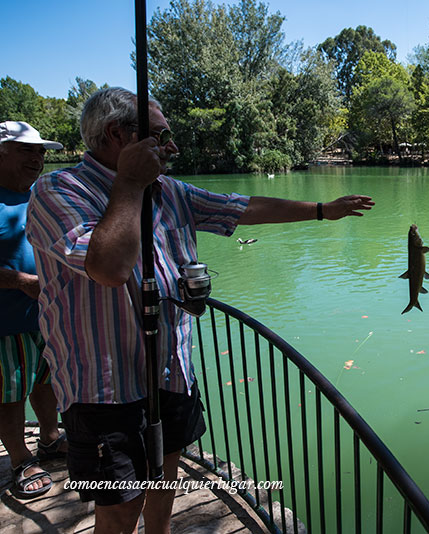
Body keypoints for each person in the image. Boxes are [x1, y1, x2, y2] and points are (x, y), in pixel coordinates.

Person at [25, 87, 374, 533]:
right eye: (162, 135)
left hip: (170, 370)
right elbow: (109, 268)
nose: (172, 146)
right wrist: (129, 183)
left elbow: (242, 208)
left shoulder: (170, 191)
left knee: (165, 475)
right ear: (117, 135)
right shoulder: (59, 189)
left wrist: (324, 210)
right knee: (119, 506)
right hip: (104, 389)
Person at [0, 121, 67, 500]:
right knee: (8, 393)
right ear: (1, 151)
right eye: (28, 150)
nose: (39, 158)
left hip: (48, 315)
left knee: (46, 380)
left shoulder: (39, 195)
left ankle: (50, 438)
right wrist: (22, 282)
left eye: (41, 151)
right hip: (5, 323)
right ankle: (20, 460)